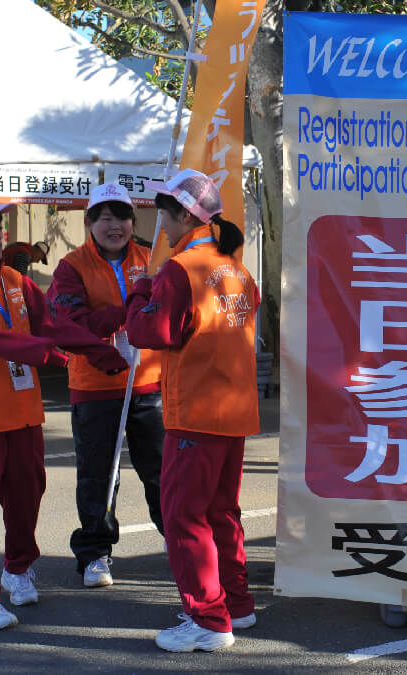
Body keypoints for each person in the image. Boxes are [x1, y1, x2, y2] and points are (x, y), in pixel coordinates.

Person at [0, 191, 125, 630]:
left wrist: (97, 351)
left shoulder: (18, 282)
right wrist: (41, 352)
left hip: (22, 415)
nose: (0, 232)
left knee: (26, 500)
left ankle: (17, 569)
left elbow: (54, 325)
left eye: (0, 224)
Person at [125, 169, 260, 653]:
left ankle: (206, 616)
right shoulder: (236, 268)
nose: (159, 222)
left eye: (164, 212)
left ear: (185, 214)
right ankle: (236, 605)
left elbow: (150, 333)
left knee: (184, 515)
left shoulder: (181, 268)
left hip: (196, 411)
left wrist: (139, 292)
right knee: (222, 511)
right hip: (235, 409)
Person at [47, 183, 165, 588]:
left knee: (162, 471)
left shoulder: (152, 258)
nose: (116, 226)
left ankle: (181, 544)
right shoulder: (70, 266)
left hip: (149, 383)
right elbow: (69, 325)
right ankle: (96, 553)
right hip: (95, 387)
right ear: (90, 222)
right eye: (107, 217)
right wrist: (127, 312)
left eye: (124, 217)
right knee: (98, 474)